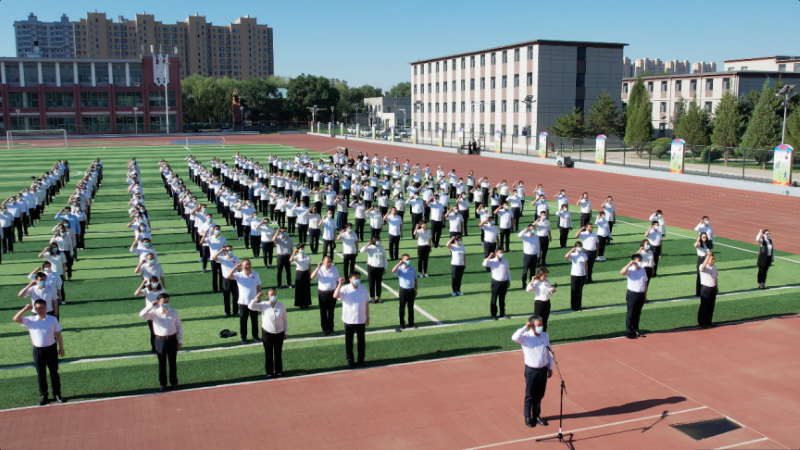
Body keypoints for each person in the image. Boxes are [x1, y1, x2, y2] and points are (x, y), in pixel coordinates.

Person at [13, 300, 66, 406]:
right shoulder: (30, 320)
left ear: (46, 308)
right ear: (34, 309)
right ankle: (44, 395)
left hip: (51, 349)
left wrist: (61, 348)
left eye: (42, 308)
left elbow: (58, 334)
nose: (41, 310)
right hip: (38, 351)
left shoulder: (52, 319)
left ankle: (57, 394)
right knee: (41, 374)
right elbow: (16, 319)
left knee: (54, 373)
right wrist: (25, 309)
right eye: (38, 308)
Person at [511, 315, 553, 428]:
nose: (541, 327)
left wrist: (550, 367)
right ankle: (527, 417)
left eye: (541, 324)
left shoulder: (545, 335)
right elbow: (514, 337)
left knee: (539, 394)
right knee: (530, 395)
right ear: (532, 325)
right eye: (538, 325)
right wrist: (525, 327)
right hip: (531, 371)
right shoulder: (525, 337)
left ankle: (537, 415)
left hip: (543, 369)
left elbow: (549, 351)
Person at [139, 293, 183, 392]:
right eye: (163, 302)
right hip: (160, 340)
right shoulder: (154, 313)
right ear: (159, 302)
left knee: (172, 362)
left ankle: (174, 382)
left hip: (172, 339)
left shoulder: (174, 312)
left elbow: (179, 326)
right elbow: (142, 315)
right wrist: (150, 306)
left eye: (167, 301)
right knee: (162, 363)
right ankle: (163, 384)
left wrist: (180, 340)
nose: (166, 303)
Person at [333, 273, 370, 369]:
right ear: (350, 279)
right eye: (355, 278)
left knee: (361, 342)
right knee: (349, 342)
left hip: (361, 319)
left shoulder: (363, 288)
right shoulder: (345, 289)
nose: (357, 280)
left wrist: (367, 317)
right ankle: (350, 360)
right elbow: (335, 296)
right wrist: (339, 284)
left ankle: (361, 360)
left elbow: (366, 303)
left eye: (359, 278)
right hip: (349, 320)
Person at [249, 289, 287, 378]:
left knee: (278, 352)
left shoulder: (280, 305)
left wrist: (286, 331)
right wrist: (257, 298)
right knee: (268, 353)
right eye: (271, 295)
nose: (274, 296)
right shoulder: (263, 305)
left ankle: (278, 371)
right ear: (267, 296)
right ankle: (269, 372)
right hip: (267, 332)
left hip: (279, 332)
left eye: (275, 294)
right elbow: (251, 307)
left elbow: (284, 319)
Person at [226, 259, 262, 343]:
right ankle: (243, 337)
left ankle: (255, 336)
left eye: (249, 264)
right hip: (243, 302)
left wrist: (259, 299)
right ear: (242, 266)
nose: (248, 266)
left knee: (254, 320)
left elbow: (258, 287)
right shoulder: (238, 275)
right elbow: (228, 276)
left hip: (254, 302)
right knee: (243, 320)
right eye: (246, 264)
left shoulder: (255, 274)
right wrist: (235, 267)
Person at [134, 277, 166, 353]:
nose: (154, 283)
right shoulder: (147, 290)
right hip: (150, 314)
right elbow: (136, 293)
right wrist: (142, 284)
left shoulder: (161, 290)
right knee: (153, 332)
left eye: (156, 281)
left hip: (160, 313)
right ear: (150, 282)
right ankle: (154, 348)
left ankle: (162, 346)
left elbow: (164, 299)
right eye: (153, 282)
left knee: (162, 331)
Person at [620, 254, 648, 339]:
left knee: (637, 313)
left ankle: (636, 329)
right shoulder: (630, 270)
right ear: (633, 261)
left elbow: (645, 282)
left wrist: (645, 295)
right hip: (632, 294)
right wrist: (630, 264)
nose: (639, 262)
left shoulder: (643, 270)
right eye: (638, 261)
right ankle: (629, 331)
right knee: (631, 313)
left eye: (640, 261)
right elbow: (622, 272)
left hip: (641, 294)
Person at [311, 256, 340, 335]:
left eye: (330, 261)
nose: (329, 263)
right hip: (323, 294)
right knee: (323, 312)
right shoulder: (320, 269)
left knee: (331, 312)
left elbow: (338, 281)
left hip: (332, 293)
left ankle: (331, 329)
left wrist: (338, 292)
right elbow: (312, 277)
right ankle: (324, 329)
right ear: (323, 262)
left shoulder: (334, 269)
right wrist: (317, 268)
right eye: (327, 262)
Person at [392, 254, 418, 330]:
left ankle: (411, 323)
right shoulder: (400, 269)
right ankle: (402, 324)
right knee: (402, 308)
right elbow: (393, 271)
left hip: (411, 290)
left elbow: (415, 279)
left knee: (411, 308)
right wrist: (399, 264)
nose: (408, 261)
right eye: (407, 259)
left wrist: (416, 289)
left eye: (409, 259)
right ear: (403, 260)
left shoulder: (412, 269)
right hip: (403, 290)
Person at [212, 246, 240, 317]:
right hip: (226, 280)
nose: (229, 251)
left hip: (235, 280)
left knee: (236, 296)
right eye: (227, 250)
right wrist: (220, 251)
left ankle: (235, 311)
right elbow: (213, 257)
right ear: (225, 251)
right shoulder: (222, 258)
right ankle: (227, 312)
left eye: (230, 250)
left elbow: (239, 268)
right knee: (226, 297)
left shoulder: (236, 258)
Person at [483, 250, 511, 319]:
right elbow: (484, 264)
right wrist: (489, 256)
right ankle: (493, 314)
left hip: (504, 282)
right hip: (495, 283)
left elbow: (507, 271)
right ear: (496, 253)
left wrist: (508, 280)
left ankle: (502, 313)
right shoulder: (492, 261)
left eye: (502, 252)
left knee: (502, 299)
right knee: (494, 299)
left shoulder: (505, 261)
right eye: (500, 253)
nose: (502, 254)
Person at [359, 238, 387, 303]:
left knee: (378, 283)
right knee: (371, 283)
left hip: (380, 267)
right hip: (371, 267)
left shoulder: (382, 248)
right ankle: (372, 297)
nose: (379, 241)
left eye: (379, 240)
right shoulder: (370, 247)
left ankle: (379, 296)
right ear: (374, 241)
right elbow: (361, 251)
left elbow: (384, 258)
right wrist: (367, 244)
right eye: (377, 240)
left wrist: (385, 267)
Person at [698, 252, 718, 328]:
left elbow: (715, 277)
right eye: (711, 259)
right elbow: (703, 267)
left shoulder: (714, 267)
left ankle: (708, 321)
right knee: (704, 306)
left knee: (711, 306)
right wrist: (708, 256)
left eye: (713, 259)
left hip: (713, 288)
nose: (713, 261)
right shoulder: (703, 267)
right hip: (706, 288)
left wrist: (716, 286)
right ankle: (702, 322)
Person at [566, 242, 588, 311]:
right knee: (574, 290)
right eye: (578, 246)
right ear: (575, 247)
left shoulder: (584, 254)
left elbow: (586, 265)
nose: (580, 248)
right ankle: (573, 306)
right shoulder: (573, 255)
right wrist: (571, 250)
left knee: (579, 291)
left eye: (580, 246)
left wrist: (586, 274)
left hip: (582, 274)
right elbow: (566, 256)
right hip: (574, 274)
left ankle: (579, 305)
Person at [291, 244, 312, 309]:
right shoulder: (296, 257)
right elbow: (290, 260)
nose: (302, 250)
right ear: (298, 250)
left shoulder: (307, 256)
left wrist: (310, 274)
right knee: (299, 289)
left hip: (306, 272)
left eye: (303, 248)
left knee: (306, 288)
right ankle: (300, 304)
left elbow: (309, 266)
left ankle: (306, 303)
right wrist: (294, 252)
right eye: (301, 249)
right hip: (299, 273)